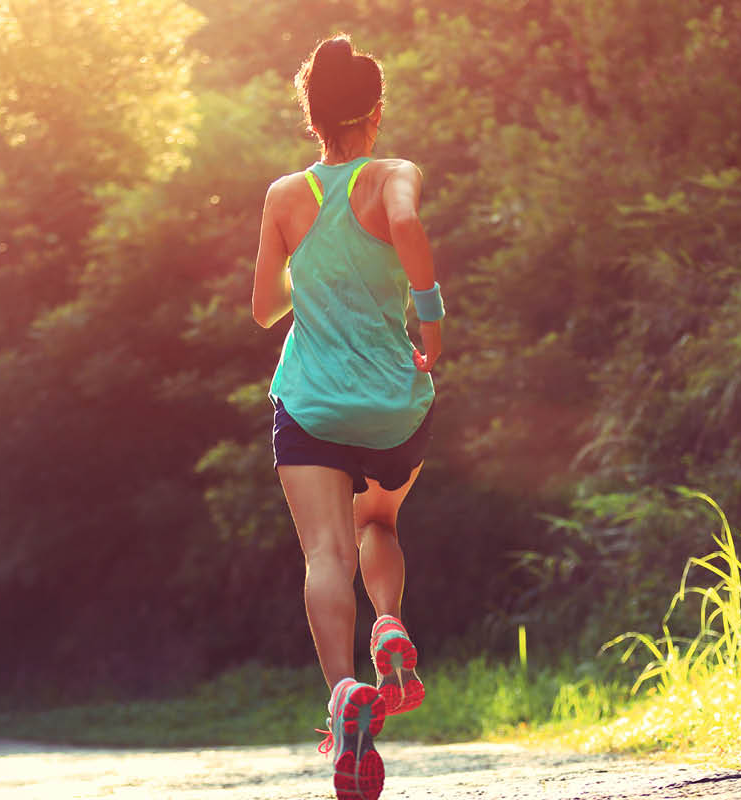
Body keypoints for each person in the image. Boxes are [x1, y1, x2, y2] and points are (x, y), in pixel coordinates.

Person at [250, 33, 444, 800]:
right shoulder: (396, 173)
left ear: (313, 117)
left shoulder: (283, 196)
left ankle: (344, 693)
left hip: (311, 402)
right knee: (381, 526)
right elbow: (406, 227)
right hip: (395, 402)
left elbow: (264, 310)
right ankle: (388, 622)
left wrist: (318, 279)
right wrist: (431, 325)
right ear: (376, 110)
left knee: (324, 555)